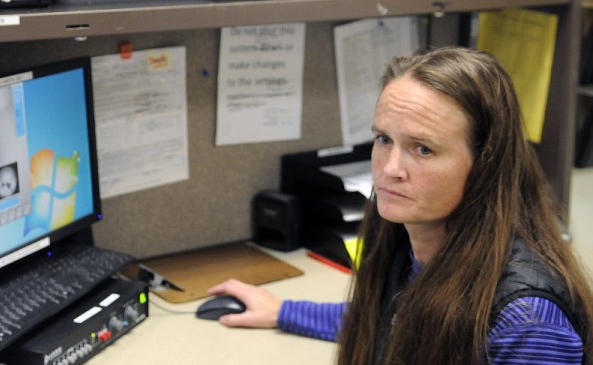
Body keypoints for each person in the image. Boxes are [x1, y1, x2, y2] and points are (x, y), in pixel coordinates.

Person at [207, 46, 593, 364]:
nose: (390, 170)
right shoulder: (409, 246)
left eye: (423, 149)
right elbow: (400, 318)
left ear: (485, 165)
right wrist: (284, 311)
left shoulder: (525, 322)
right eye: (384, 140)